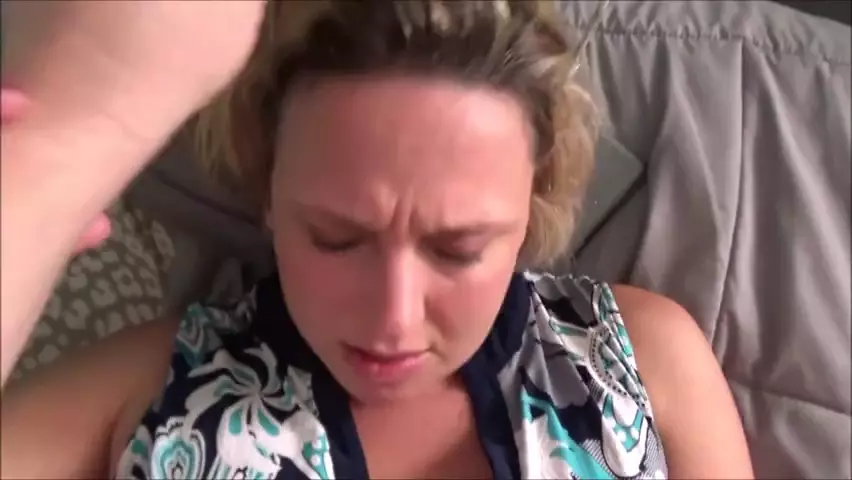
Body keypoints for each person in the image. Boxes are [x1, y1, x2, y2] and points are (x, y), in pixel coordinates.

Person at [0, 1, 753, 478]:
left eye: (459, 249)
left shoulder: (644, 360)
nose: (393, 319)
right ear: (267, 194)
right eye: (335, 238)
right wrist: (48, 166)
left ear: (535, 203)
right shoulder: (150, 390)